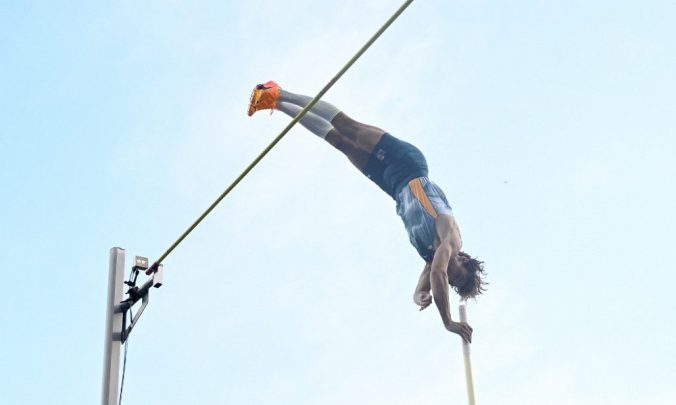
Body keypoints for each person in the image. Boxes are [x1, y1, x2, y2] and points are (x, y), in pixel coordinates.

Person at [247, 81, 486, 342]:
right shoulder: (451, 240)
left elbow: (427, 278)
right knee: (348, 128)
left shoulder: (433, 257)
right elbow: (437, 273)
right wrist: (447, 321)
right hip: (407, 164)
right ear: (463, 258)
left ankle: (276, 104)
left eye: (454, 279)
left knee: (341, 144)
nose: (450, 273)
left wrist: (418, 295)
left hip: (392, 185)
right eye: (457, 272)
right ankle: (280, 92)